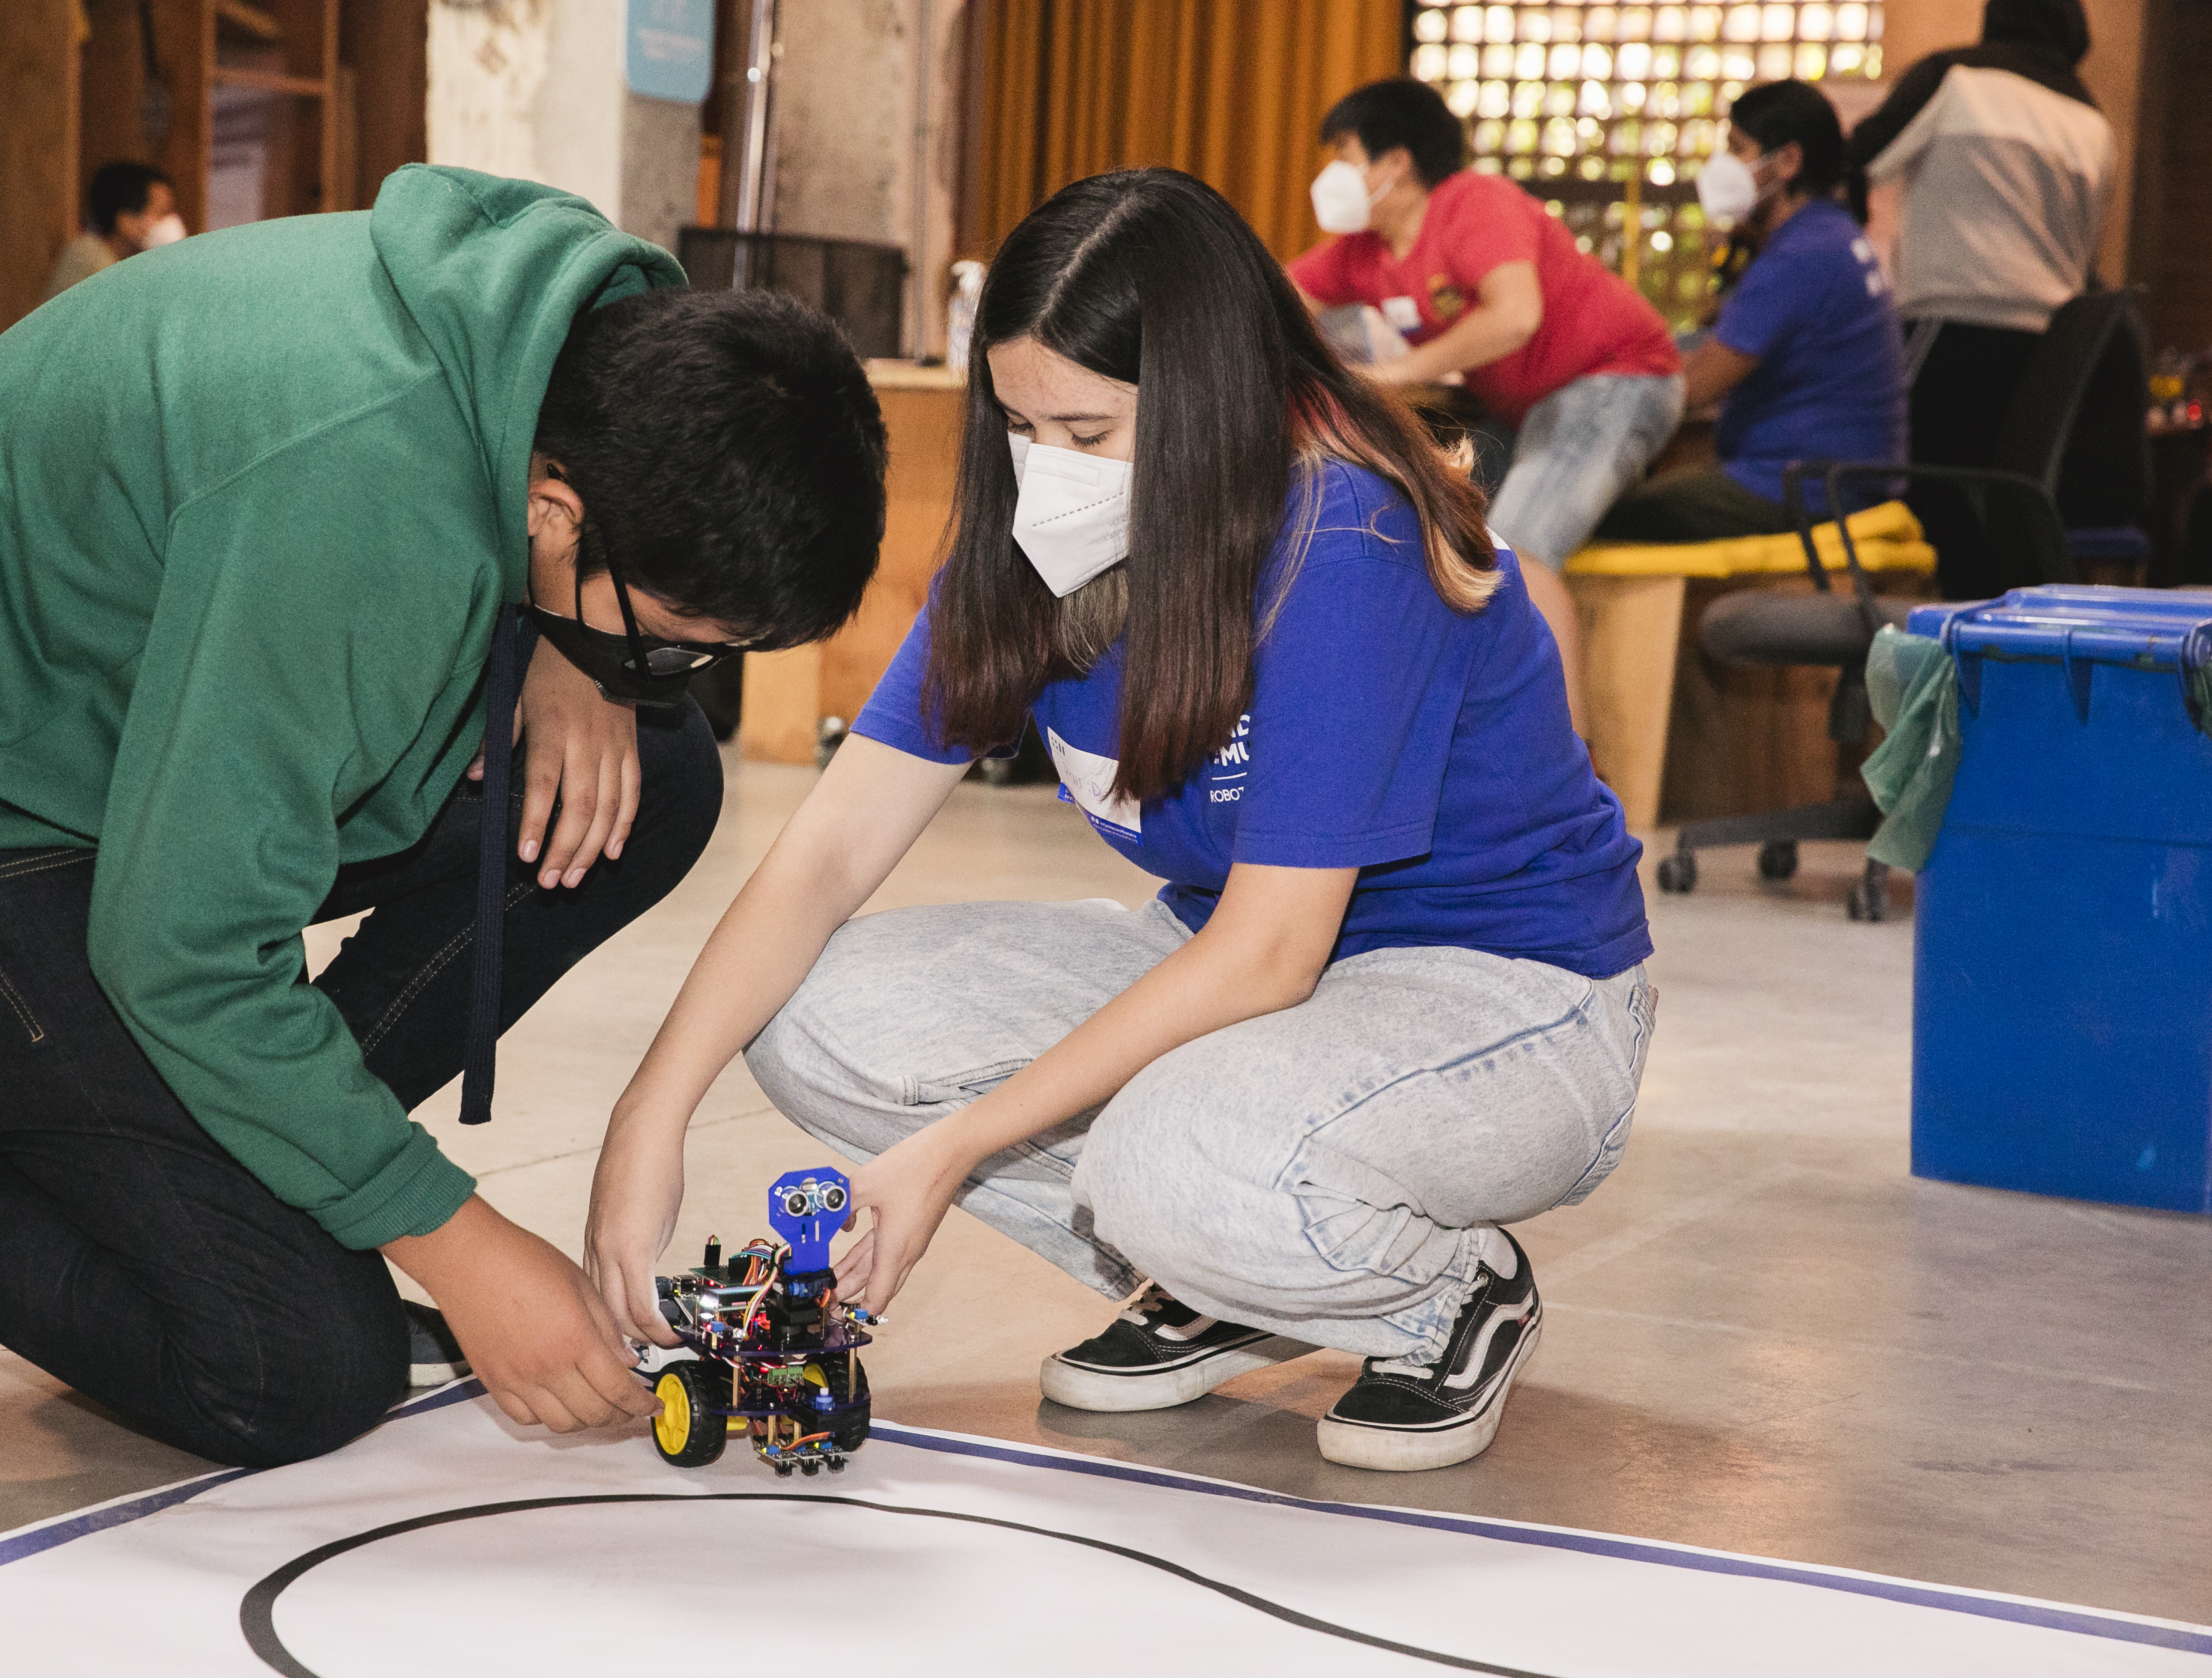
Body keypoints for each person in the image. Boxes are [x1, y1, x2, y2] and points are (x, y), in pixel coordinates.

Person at [0, 165, 888, 1466]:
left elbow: (521, 549)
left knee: (656, 779)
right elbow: (184, 949)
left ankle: (225, 1173)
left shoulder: (584, 345)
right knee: (291, 1364)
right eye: (669, 642)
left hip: (136, 738)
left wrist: (578, 653)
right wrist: (454, 1236)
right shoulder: (354, 500)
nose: (673, 674)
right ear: (558, 511)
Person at [585, 169, 1655, 1474]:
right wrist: (652, 1111)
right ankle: (1229, 1273)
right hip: (1243, 968)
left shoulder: (1346, 538)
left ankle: (1438, 1296)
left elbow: (1273, 951)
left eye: (1087, 433)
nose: (1047, 470)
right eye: (1018, 423)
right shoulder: (1034, 554)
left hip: (1504, 995)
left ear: (1211, 403)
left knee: (1167, 1161)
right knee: (809, 1019)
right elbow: (826, 854)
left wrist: (958, 1149)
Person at [1290, 76, 1684, 723]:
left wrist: (1400, 370)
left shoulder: (1475, 202)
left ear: (1396, 163)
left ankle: (1574, 775)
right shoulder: (1364, 251)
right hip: (1522, 412)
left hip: (1616, 379)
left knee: (1519, 549)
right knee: (1427, 533)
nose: (1332, 174)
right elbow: (1280, 303)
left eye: (1345, 155)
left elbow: (1515, 317)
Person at [1846, 0, 2114, 597]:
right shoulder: (2092, 119)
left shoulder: (1955, 77)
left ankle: (1950, 634)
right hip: (2051, 346)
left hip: (1955, 318)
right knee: (2004, 497)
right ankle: (2000, 633)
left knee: (1904, 474)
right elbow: (2090, 248)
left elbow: (1856, 157)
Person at [1594, 82, 1905, 543]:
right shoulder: (1831, 235)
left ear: (1788, 162)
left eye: (1738, 150)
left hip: (1804, 490)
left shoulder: (1798, 257)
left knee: (1603, 517)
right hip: (1838, 482)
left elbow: (1694, 388)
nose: (1724, 166)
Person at [44, 161, 187, 301]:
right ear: (126, 221)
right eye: (162, 213)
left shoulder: (122, 264)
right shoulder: (90, 255)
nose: (172, 222)